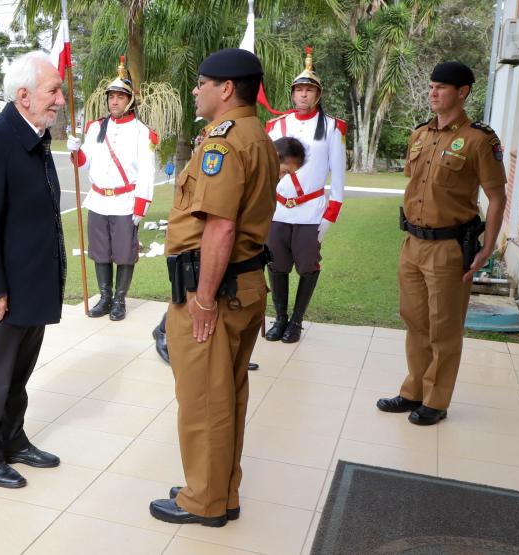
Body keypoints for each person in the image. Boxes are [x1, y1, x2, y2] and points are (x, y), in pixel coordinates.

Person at [148, 48, 278, 527]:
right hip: (242, 286)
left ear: (226, 89)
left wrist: (202, 301)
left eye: (202, 83)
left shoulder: (223, 144)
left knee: (204, 400)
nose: (195, 90)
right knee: (227, 395)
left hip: (215, 292)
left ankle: (203, 501)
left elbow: (219, 228)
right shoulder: (255, 135)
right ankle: (221, 491)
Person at [377, 61, 506, 426]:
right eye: (431, 86)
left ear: (462, 92)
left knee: (444, 328)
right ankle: (413, 389)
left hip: (449, 248)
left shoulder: (481, 140)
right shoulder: (419, 135)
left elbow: (496, 197)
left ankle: (436, 399)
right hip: (412, 244)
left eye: (441, 87)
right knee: (415, 321)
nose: (432, 92)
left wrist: (486, 247)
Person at [0, 51, 66, 489]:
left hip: (33, 282)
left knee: (20, 374)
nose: (60, 100)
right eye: (53, 91)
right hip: (3, 288)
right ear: (23, 95)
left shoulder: (34, 136)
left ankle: (13, 439)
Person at [151, 136, 306, 367]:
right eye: (283, 171)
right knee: (193, 294)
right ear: (273, 158)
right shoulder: (241, 164)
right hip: (204, 247)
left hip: (239, 254)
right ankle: (165, 332)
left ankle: (228, 353)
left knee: (221, 298)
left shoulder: (265, 177)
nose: (282, 178)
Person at [264, 47, 346, 343]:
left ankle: (297, 321)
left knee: (307, 266)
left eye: (309, 90)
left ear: (318, 95)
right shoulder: (275, 127)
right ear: (292, 93)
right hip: (277, 212)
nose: (303, 95)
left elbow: (338, 179)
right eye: (299, 89)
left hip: (310, 212)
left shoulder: (332, 128)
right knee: (277, 266)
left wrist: (329, 218)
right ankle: (280, 318)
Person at [66, 56, 157, 321]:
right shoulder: (95, 127)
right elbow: (84, 162)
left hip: (126, 200)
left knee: (124, 253)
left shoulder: (143, 132)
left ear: (129, 100)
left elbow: (147, 172)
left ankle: (119, 300)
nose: (113, 101)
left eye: (119, 97)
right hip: (98, 200)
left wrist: (141, 205)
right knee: (100, 251)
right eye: (111, 97)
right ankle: (104, 298)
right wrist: (74, 152)